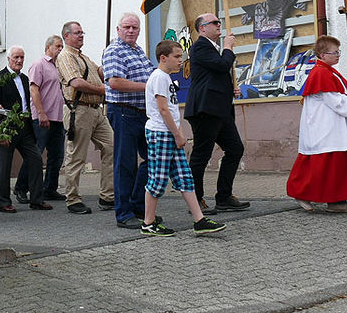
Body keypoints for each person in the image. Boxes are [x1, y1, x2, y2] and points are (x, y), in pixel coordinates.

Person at [140, 41, 226, 236]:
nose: (181, 61)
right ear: (163, 58)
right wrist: (178, 134)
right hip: (160, 134)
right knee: (158, 180)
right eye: (177, 57)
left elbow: (170, 109)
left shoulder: (167, 78)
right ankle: (148, 223)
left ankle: (199, 220)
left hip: (169, 133)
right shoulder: (159, 77)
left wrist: (179, 132)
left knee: (185, 178)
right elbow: (162, 109)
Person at [286, 35, 347, 214]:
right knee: (323, 165)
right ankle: (310, 195)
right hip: (326, 127)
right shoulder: (321, 72)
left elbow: (336, 95)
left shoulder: (328, 71)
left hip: (333, 127)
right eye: (334, 52)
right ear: (322, 54)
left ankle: (337, 201)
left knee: (334, 166)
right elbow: (335, 101)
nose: (338, 55)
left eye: (338, 52)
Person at [186, 12, 249, 214]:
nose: (218, 24)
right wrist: (229, 47)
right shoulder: (200, 47)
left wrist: (231, 88)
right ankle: (196, 201)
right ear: (202, 28)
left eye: (218, 21)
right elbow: (222, 65)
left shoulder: (213, 48)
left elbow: (214, 76)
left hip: (219, 109)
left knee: (235, 149)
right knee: (201, 156)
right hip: (205, 109)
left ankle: (224, 197)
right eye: (214, 22)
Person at [102, 13, 155, 229]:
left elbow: (151, 74)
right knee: (125, 164)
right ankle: (124, 214)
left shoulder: (138, 51)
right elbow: (114, 82)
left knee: (153, 158)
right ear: (118, 29)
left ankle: (138, 204)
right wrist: (149, 87)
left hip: (142, 112)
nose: (131, 31)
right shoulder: (114, 50)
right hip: (123, 112)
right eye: (127, 27)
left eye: (135, 27)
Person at [56, 22, 114, 214]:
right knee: (77, 156)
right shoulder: (65, 56)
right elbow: (76, 82)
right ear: (66, 36)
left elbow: (99, 72)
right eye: (77, 33)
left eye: (82, 32)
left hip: (96, 110)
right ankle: (72, 199)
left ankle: (108, 196)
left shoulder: (84, 57)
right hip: (78, 110)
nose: (81, 35)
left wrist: (110, 58)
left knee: (112, 146)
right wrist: (101, 89)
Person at [0, 46, 50, 214]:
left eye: (22, 57)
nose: (19, 60)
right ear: (8, 59)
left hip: (24, 127)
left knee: (36, 159)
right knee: (4, 166)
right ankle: (4, 202)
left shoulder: (24, 78)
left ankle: (36, 199)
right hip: (6, 128)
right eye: (16, 57)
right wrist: (0, 132)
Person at [14, 35, 67, 204]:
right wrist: (41, 112)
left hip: (57, 118)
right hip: (43, 117)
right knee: (35, 155)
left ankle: (49, 188)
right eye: (58, 46)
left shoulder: (58, 67)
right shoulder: (39, 65)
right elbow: (34, 90)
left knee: (57, 155)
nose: (60, 49)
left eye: (61, 46)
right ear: (48, 47)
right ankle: (21, 188)